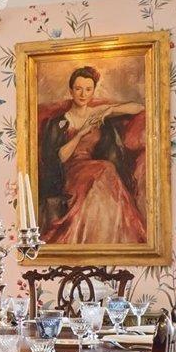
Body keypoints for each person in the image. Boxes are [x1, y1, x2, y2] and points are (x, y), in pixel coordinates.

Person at [37, 64, 146, 244]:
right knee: (104, 169)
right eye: (78, 89)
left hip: (94, 169)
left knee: (104, 171)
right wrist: (80, 134)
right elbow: (60, 158)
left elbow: (139, 107)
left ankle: (103, 237)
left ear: (93, 91)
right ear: (71, 91)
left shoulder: (97, 113)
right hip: (69, 173)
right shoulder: (59, 122)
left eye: (88, 89)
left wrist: (110, 109)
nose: (83, 94)